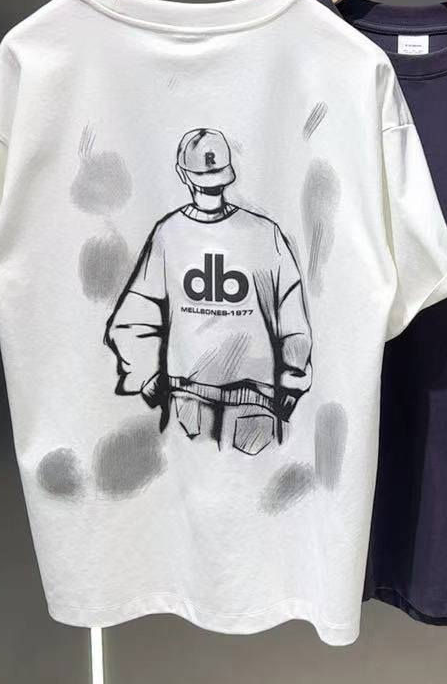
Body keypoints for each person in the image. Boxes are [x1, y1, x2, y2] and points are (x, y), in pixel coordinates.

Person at [105, 128, 312, 455]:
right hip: (254, 403)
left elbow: (133, 317)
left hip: (190, 401)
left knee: (190, 480)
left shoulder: (169, 232)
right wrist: (292, 381)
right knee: (251, 482)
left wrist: (147, 377)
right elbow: (294, 322)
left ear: (183, 175)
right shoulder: (265, 232)